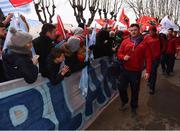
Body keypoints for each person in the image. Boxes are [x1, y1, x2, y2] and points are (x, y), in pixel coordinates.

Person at [117, 24, 152, 115]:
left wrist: (147, 71)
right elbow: (119, 53)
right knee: (121, 87)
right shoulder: (125, 41)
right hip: (125, 70)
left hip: (136, 71)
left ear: (139, 30)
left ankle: (134, 106)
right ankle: (125, 101)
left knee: (135, 90)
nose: (133, 32)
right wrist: (123, 57)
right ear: (129, 31)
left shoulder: (144, 43)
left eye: (135, 30)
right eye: (131, 30)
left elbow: (148, 58)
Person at [145, 26, 161, 94]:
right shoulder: (146, 37)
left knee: (153, 72)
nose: (150, 32)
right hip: (147, 58)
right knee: (149, 71)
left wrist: (159, 53)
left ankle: (152, 88)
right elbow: (143, 46)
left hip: (156, 59)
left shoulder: (159, 38)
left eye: (152, 31)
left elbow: (163, 46)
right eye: (149, 31)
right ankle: (149, 80)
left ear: (155, 31)